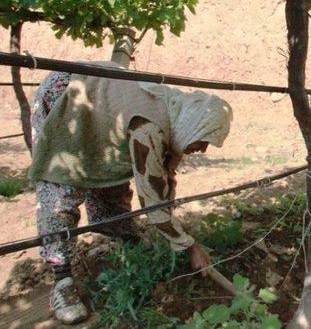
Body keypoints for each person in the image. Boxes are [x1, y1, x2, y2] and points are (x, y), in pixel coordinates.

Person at [28, 62, 232, 324]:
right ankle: (62, 281)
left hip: (102, 104)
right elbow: (152, 202)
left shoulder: (176, 120)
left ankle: (123, 245)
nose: (203, 149)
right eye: (204, 140)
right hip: (68, 94)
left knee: (110, 182)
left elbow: (163, 181)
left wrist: (174, 237)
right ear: (194, 125)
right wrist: (190, 246)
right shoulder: (149, 127)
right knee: (62, 187)